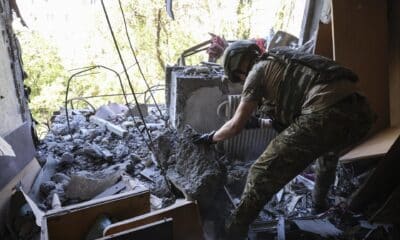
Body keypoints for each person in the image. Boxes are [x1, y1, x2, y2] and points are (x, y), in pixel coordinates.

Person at [193, 40, 375, 239]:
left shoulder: (257, 71)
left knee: (261, 172)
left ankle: (233, 231)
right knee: (326, 154)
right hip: (361, 114)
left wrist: (210, 138)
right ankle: (319, 204)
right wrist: (258, 123)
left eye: (238, 77)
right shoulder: (284, 58)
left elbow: (235, 125)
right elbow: (293, 113)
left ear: (238, 70)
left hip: (324, 112)